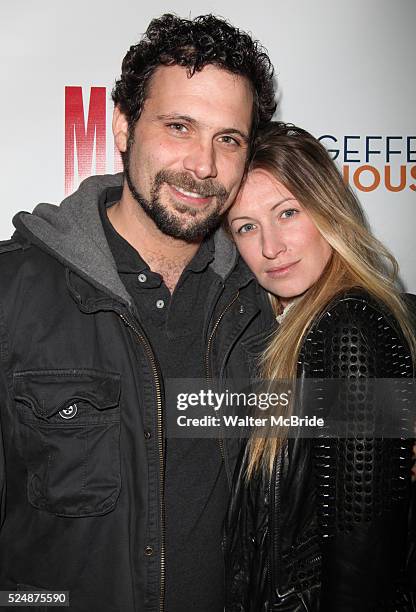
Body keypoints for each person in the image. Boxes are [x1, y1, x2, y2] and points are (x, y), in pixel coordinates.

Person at [0, 14, 277, 612]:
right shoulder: (13, 291)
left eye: (228, 138)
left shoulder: (261, 298)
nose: (202, 165)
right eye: (179, 126)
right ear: (123, 127)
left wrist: (393, 419)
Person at [225, 122, 416, 610]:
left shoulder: (348, 329)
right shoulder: (298, 325)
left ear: (329, 209)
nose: (270, 247)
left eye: (287, 212)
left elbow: (363, 564)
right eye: (246, 226)